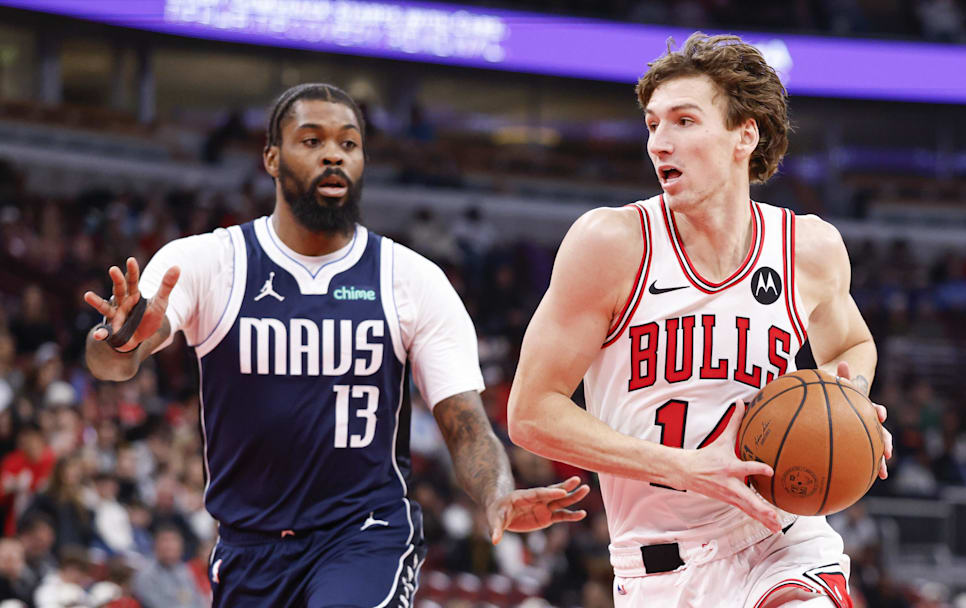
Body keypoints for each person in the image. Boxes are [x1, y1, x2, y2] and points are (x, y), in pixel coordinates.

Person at [83, 83, 588, 607]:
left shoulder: (412, 279)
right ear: (272, 158)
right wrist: (121, 344)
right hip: (248, 546)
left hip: (366, 534)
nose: (333, 154)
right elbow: (112, 365)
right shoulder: (210, 262)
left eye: (349, 144)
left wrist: (497, 491)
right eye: (311, 140)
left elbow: (465, 426)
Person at [507, 34, 893, 608]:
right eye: (652, 124)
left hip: (779, 536)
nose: (660, 142)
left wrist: (850, 400)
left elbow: (853, 344)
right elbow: (531, 414)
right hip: (659, 568)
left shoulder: (806, 248)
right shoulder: (611, 244)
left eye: (684, 121)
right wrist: (685, 468)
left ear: (745, 134)